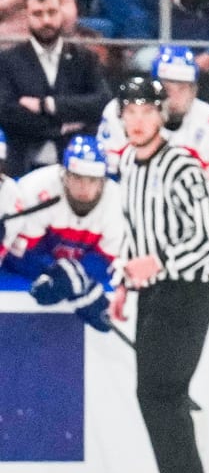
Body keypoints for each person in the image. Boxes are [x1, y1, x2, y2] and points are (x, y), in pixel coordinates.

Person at [107, 76, 209, 473]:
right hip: (156, 289)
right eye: (130, 112)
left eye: (146, 111)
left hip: (189, 288)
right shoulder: (129, 164)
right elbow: (136, 234)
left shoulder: (181, 165)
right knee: (159, 391)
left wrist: (156, 263)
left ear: (161, 114)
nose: (138, 121)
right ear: (121, 117)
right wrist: (124, 280)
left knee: (160, 391)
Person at [2, 134, 120, 338]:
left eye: (92, 180)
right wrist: (64, 275)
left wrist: (75, 277)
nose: (84, 187)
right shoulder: (35, 189)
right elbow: (21, 255)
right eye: (76, 177)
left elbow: (109, 260)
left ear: (103, 182)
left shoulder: (118, 203)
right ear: (64, 174)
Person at [0, 0, 108, 177]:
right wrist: (62, 126)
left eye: (52, 12)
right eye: (38, 14)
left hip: (76, 168)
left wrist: (47, 105)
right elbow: (8, 114)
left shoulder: (85, 58)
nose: (46, 21)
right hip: (24, 167)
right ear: (26, 16)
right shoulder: (7, 61)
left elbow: (101, 102)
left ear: (61, 12)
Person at [96, 45, 209, 190]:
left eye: (182, 88)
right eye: (167, 87)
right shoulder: (121, 111)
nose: (174, 97)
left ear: (194, 91)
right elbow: (107, 178)